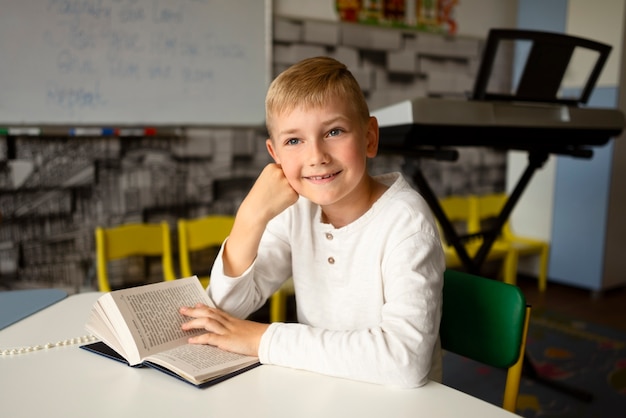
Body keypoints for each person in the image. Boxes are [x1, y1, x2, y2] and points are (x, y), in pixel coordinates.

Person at [180, 56, 445, 388]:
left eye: (334, 131)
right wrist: (250, 216)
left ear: (369, 138)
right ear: (274, 154)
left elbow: (405, 361)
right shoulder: (298, 209)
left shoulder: (406, 221)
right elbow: (224, 308)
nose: (316, 156)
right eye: (294, 140)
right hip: (322, 391)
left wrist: (263, 340)